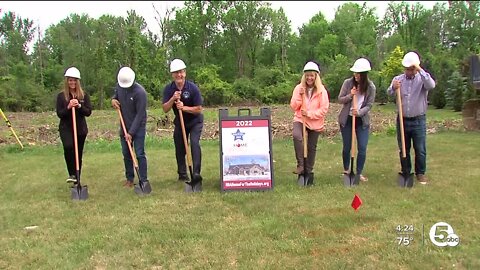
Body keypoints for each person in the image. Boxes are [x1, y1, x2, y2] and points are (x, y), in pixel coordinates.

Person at [387, 51, 436, 185]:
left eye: (411, 69)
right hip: (402, 119)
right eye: (406, 69)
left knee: (420, 148)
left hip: (418, 119)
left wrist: (420, 69)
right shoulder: (398, 79)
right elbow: (389, 92)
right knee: (404, 147)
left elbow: (431, 85)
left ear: (415, 68)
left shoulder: (422, 79)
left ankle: (420, 173)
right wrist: (393, 87)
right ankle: (406, 172)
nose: (408, 71)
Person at [162, 59, 204, 183]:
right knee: (179, 147)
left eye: (180, 72)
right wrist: (172, 99)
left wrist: (183, 107)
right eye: (176, 72)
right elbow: (165, 108)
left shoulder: (192, 88)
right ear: (172, 74)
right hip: (180, 123)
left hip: (195, 121)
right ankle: (182, 174)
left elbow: (198, 109)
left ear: (184, 73)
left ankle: (196, 173)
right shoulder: (168, 89)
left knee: (194, 143)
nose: (178, 75)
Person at [337, 58, 376, 182]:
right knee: (347, 146)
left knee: (362, 147)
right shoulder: (348, 83)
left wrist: (359, 112)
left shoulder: (371, 87)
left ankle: (358, 173)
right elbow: (340, 99)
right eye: (355, 73)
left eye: (359, 73)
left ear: (364, 74)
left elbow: (369, 105)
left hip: (362, 121)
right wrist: (350, 95)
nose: (356, 75)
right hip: (347, 119)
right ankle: (347, 170)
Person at [111, 66, 150, 188]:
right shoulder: (119, 87)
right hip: (124, 127)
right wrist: (113, 100)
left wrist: (131, 133)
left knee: (139, 153)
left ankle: (143, 179)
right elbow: (115, 97)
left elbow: (140, 115)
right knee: (126, 153)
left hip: (138, 128)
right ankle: (129, 179)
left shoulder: (140, 93)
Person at [290, 61, 330, 175]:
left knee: (311, 147)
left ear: (316, 76)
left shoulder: (322, 91)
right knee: (297, 136)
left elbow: (324, 109)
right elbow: (293, 106)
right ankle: (301, 165)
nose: (309, 78)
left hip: (315, 122)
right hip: (300, 119)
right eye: (307, 75)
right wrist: (299, 97)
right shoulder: (298, 88)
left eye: (312, 75)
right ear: (304, 76)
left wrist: (309, 114)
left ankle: (309, 170)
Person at [56, 67, 92, 184]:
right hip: (66, 128)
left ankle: (77, 178)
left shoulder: (83, 96)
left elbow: (88, 112)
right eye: (70, 80)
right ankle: (72, 173)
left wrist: (79, 106)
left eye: (74, 80)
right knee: (68, 147)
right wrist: (68, 107)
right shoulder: (61, 96)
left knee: (78, 153)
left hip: (80, 129)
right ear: (67, 81)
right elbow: (60, 114)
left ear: (78, 81)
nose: (72, 82)